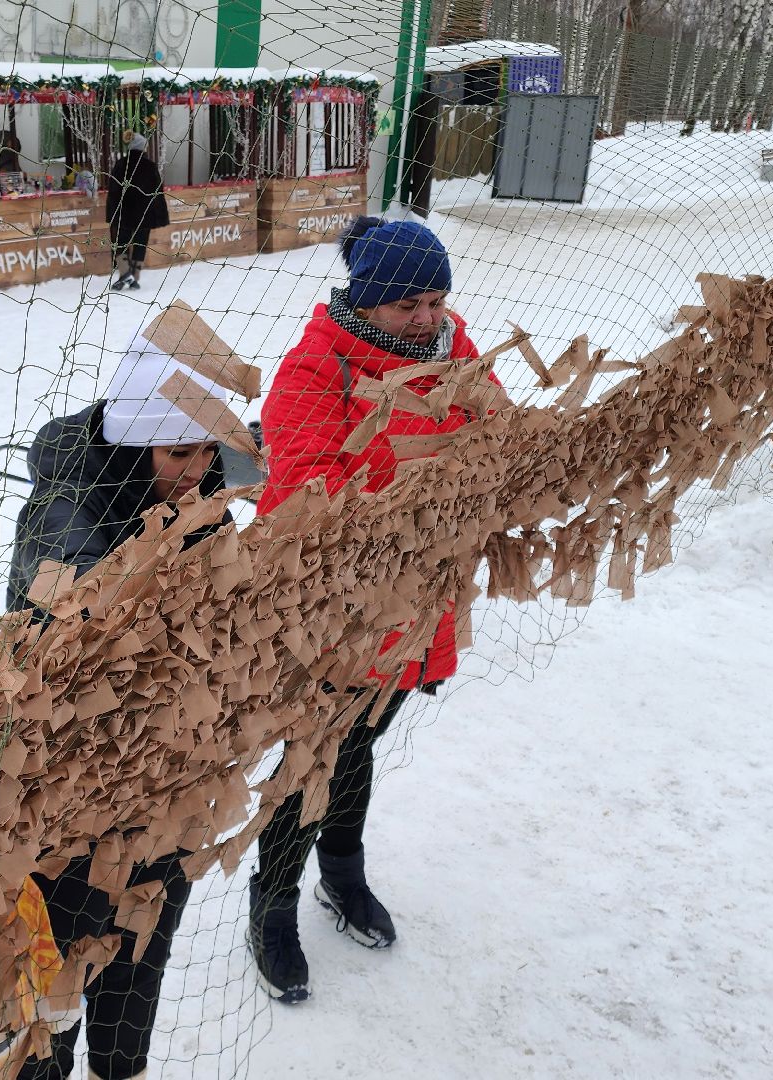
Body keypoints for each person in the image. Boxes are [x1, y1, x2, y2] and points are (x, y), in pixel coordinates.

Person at [247, 216, 496, 1005]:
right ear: (366, 301)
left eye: (436, 298)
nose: (427, 316)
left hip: (416, 608)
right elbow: (310, 495)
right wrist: (426, 503)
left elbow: (497, 428)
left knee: (359, 745)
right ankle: (273, 902)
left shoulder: (452, 347)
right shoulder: (314, 370)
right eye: (406, 305)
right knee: (314, 755)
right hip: (336, 613)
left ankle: (342, 875)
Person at [0, 330, 234, 1080]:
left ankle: (123, 1067)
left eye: (209, 451)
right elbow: (77, 652)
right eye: (179, 455)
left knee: (142, 947)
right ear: (137, 447)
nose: (197, 471)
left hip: (167, 783)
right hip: (74, 807)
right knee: (62, 971)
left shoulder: (194, 493)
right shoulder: (67, 518)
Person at [105, 131, 169, 292]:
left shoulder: (121, 164)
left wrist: (112, 213)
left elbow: (113, 191)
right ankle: (135, 277)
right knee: (141, 244)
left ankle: (125, 274)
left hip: (124, 214)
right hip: (144, 215)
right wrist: (159, 215)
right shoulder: (150, 166)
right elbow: (158, 192)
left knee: (121, 243)